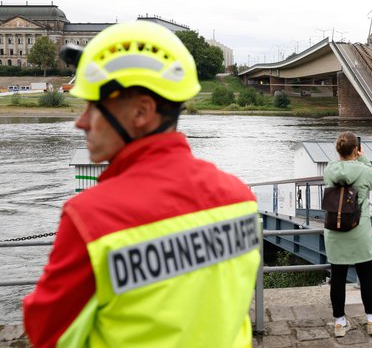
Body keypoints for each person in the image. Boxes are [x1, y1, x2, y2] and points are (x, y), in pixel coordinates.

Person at [23, 21, 261, 347]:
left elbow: (46, 333)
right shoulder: (241, 198)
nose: (81, 122)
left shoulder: (90, 220)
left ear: (141, 112)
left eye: (94, 106)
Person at [323, 131, 372, 337]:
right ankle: (371, 320)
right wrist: (363, 158)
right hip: (358, 229)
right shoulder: (362, 169)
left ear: (337, 150)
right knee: (366, 275)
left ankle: (340, 323)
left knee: (338, 277)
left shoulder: (329, 169)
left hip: (334, 230)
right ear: (355, 149)